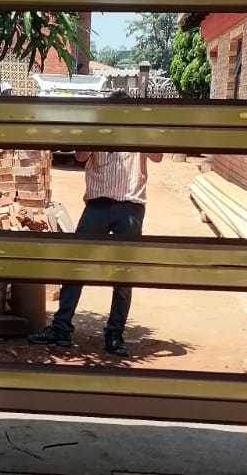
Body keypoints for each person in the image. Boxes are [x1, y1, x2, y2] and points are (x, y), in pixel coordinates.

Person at [30, 113, 164, 357]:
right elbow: (80, 156)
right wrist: (99, 134)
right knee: (77, 263)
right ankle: (61, 329)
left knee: (123, 271)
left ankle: (114, 335)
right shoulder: (99, 129)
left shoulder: (139, 131)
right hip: (98, 203)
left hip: (130, 205)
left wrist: (138, 134)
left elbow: (158, 157)